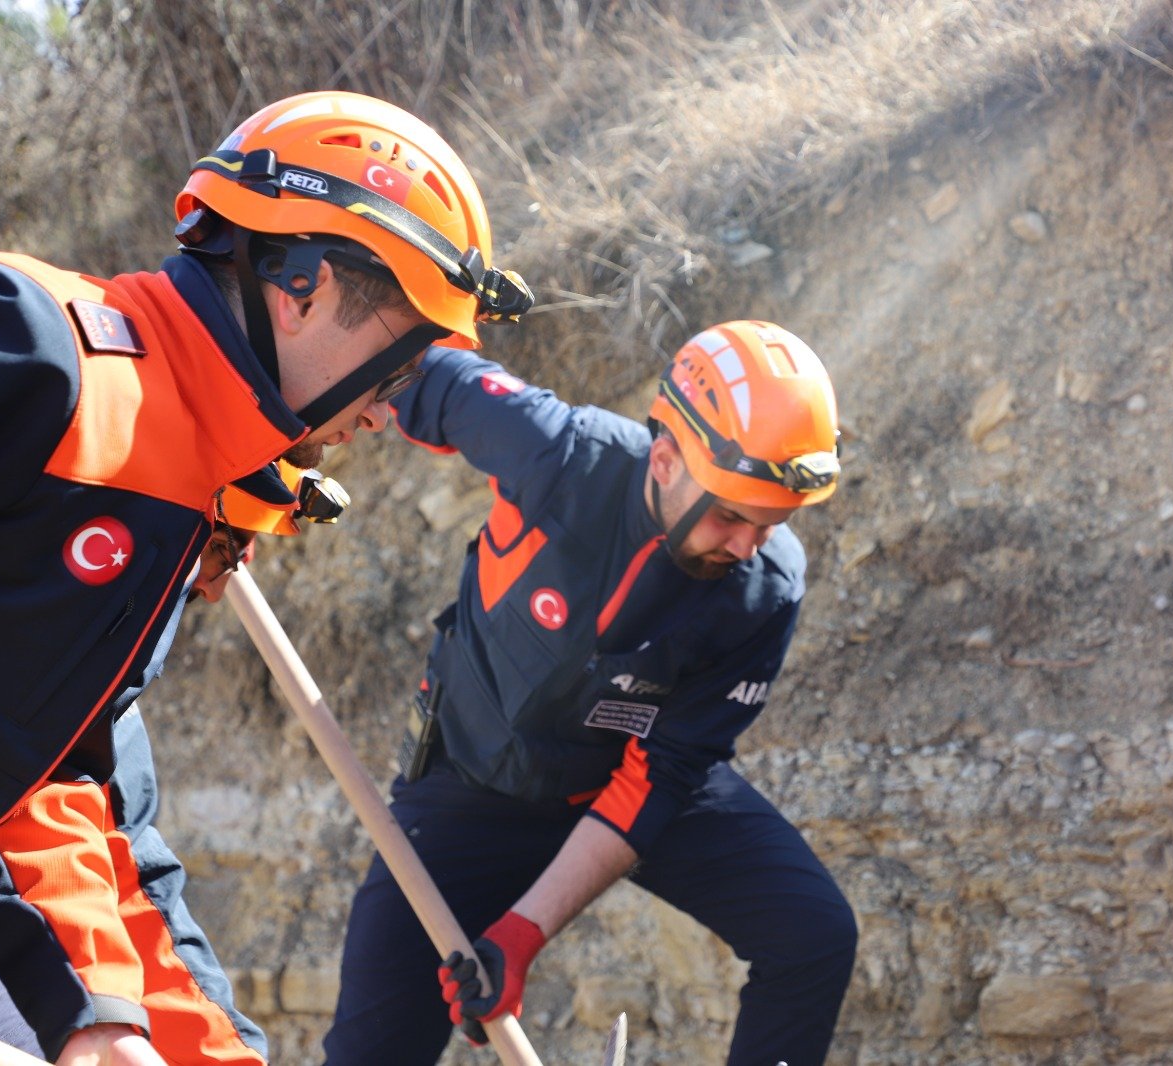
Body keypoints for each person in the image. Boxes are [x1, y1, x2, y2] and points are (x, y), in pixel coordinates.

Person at [0, 89, 529, 1065]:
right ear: (302, 288)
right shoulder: (28, 344)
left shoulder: (175, 495)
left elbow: (50, 777)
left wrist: (102, 1019)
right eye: (396, 367)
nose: (390, 412)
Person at [324, 320, 857, 1066]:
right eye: (732, 515)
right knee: (370, 1054)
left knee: (814, 935)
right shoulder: (558, 456)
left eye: (770, 525)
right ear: (666, 459)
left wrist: (521, 933)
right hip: (470, 791)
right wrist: (270, 454)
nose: (746, 545)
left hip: (629, 780)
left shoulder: (764, 588)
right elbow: (402, 365)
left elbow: (665, 771)